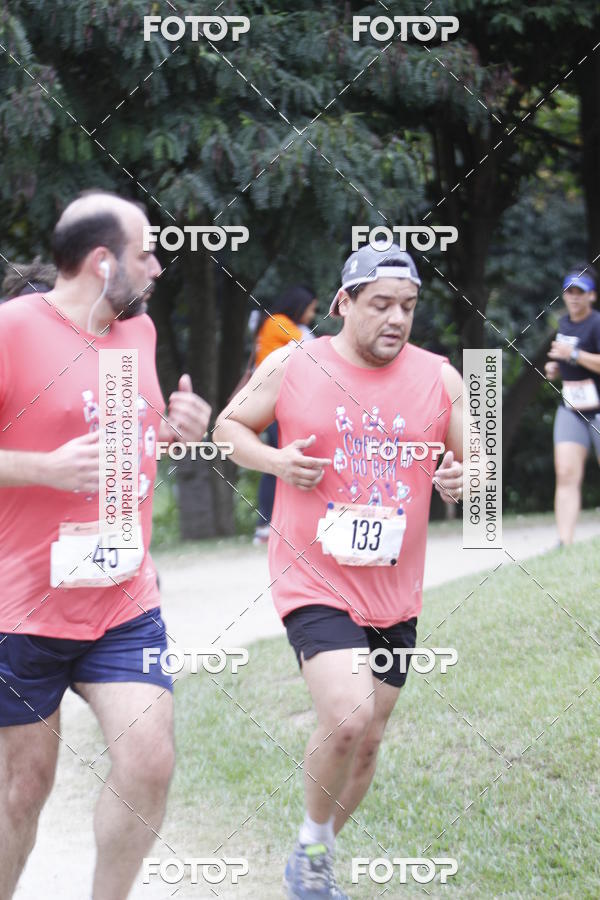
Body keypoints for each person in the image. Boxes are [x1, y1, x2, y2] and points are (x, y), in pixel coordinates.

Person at [215, 242, 464, 899]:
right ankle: (312, 850)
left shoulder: (441, 378)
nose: (396, 318)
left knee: (370, 740)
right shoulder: (296, 361)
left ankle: (314, 850)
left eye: (408, 306)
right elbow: (227, 427)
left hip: (394, 588)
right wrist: (274, 464)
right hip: (313, 578)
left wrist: (465, 477)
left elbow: (477, 460)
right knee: (349, 716)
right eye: (380, 304)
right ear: (343, 304)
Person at [0, 190, 211, 899]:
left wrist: (178, 427)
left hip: (123, 601)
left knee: (149, 760)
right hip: (22, 609)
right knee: (24, 790)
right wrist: (43, 469)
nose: (156, 267)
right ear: (101, 261)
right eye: (145, 253)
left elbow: (129, 437)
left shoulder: (138, 335)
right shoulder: (14, 330)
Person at [252, 285, 318, 544]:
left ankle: (271, 524)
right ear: (299, 307)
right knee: (276, 462)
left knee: (280, 460)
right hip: (276, 403)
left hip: (279, 402)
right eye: (311, 309)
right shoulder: (278, 322)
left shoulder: (274, 324)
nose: (313, 315)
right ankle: (265, 525)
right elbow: (310, 347)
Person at [546, 264, 600, 545]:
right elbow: (566, 359)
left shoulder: (597, 323)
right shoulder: (564, 324)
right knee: (565, 472)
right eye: (570, 291)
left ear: (592, 296)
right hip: (572, 409)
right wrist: (556, 368)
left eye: (581, 292)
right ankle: (564, 543)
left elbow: (580, 356)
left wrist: (574, 354)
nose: (574, 297)